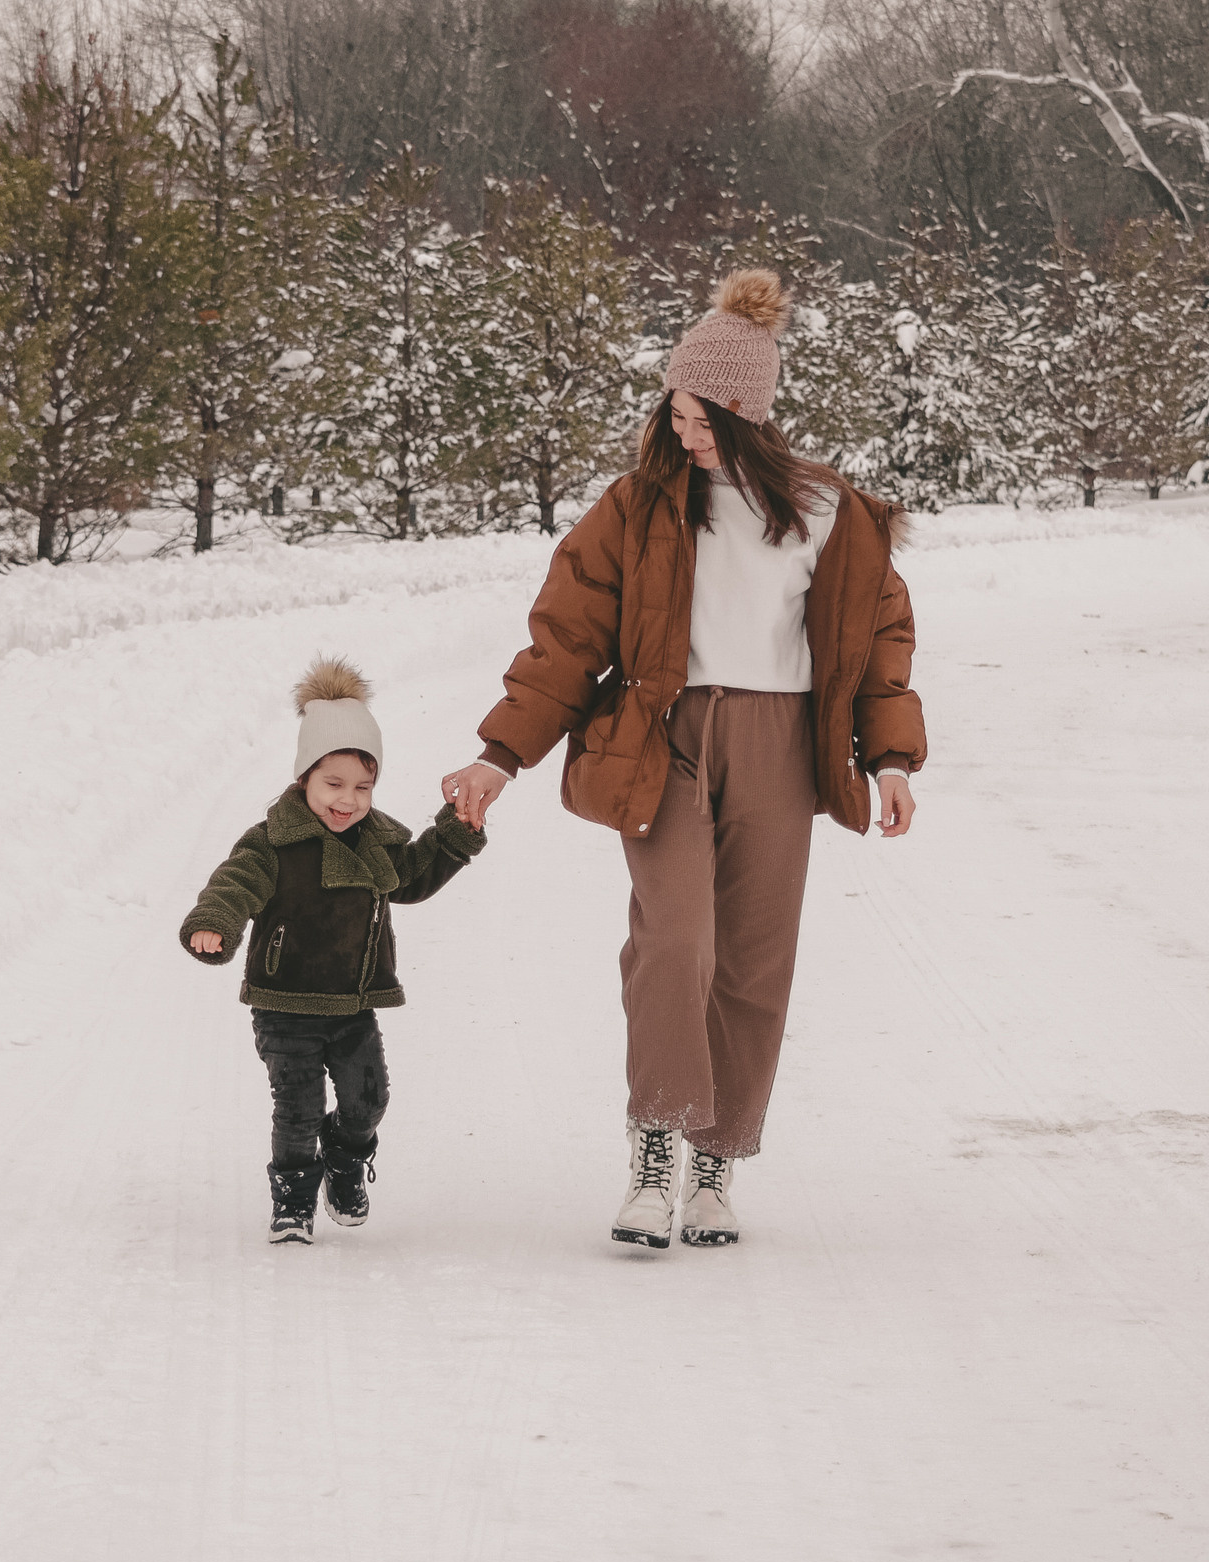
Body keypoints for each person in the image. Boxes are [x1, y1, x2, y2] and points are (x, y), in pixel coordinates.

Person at [439, 269, 924, 1251]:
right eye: (676, 405)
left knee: (752, 960)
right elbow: (565, 641)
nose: (683, 424)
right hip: (665, 742)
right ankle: (654, 1143)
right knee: (675, 941)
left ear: (749, 412)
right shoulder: (638, 509)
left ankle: (714, 1165)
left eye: (702, 412)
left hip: (782, 747)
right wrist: (500, 755)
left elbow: (875, 650)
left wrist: (892, 761)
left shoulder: (831, 515)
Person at [184, 657, 490, 1244]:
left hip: (353, 1004)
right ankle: (294, 1201)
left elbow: (414, 877)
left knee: (368, 1101)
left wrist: (455, 833)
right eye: (333, 784)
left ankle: (345, 1160)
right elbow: (235, 881)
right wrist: (214, 922)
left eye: (362, 787)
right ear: (304, 777)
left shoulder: (376, 843)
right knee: (296, 1109)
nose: (347, 800)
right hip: (285, 1002)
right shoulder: (274, 839)